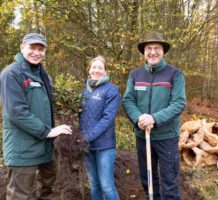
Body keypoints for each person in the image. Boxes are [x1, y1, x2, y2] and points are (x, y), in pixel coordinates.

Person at [0, 33, 72, 200]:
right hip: (23, 149)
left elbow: (43, 106)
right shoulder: (11, 74)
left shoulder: (41, 74)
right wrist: (47, 131)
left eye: (41, 49)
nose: (37, 52)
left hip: (45, 148)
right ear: (22, 47)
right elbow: (16, 112)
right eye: (32, 48)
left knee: (47, 191)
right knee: (20, 195)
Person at [122, 31, 186, 200]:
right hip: (143, 136)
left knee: (169, 181)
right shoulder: (135, 75)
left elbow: (178, 103)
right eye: (148, 48)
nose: (152, 52)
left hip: (167, 137)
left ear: (162, 51)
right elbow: (128, 100)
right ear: (144, 52)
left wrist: (154, 118)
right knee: (148, 178)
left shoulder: (174, 74)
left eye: (156, 48)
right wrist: (139, 119)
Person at [78, 55, 120, 200]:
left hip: (104, 146)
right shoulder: (85, 91)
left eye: (100, 68)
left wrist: (86, 137)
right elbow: (80, 117)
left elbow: (107, 119)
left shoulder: (111, 90)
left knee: (107, 186)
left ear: (105, 71)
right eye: (94, 67)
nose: (96, 70)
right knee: (94, 185)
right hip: (86, 147)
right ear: (89, 70)